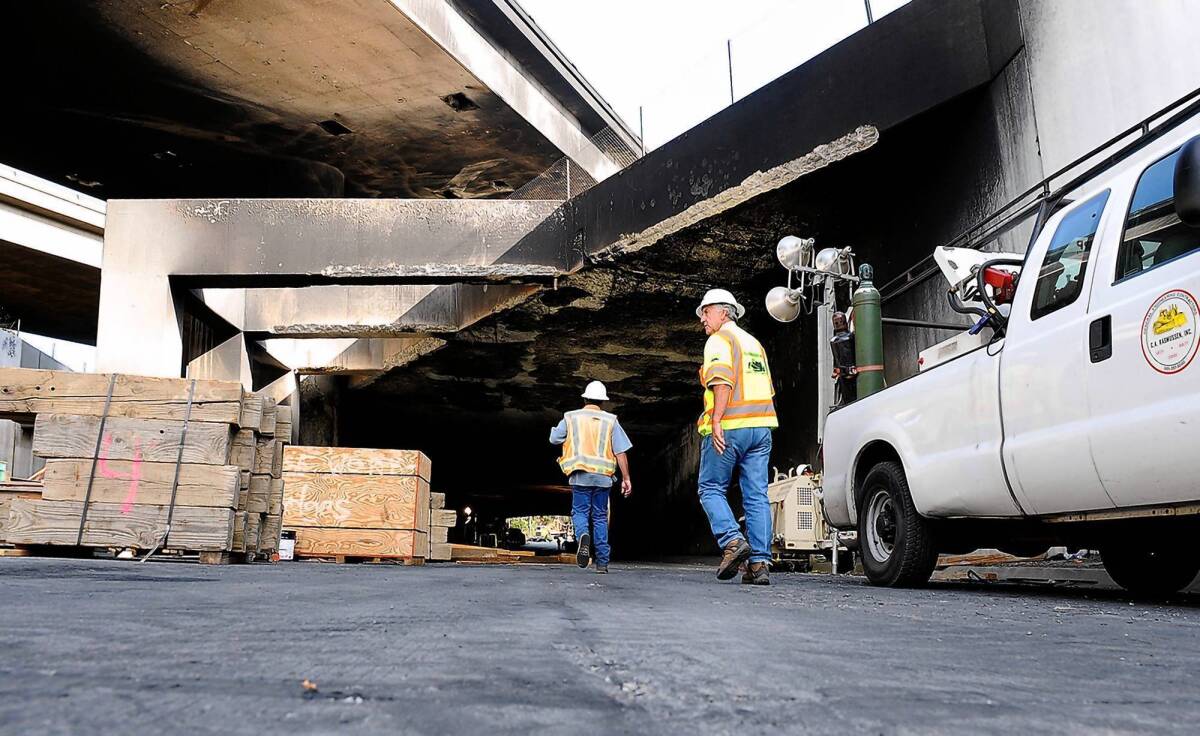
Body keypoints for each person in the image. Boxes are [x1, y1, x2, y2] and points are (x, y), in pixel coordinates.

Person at [695, 288, 778, 585]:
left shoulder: (719, 340)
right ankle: (759, 564)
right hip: (761, 429)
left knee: (710, 488)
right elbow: (766, 389)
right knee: (756, 496)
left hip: (731, 427)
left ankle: (732, 541)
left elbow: (722, 378)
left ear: (723, 311)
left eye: (706, 312)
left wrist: (716, 418)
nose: (702, 319)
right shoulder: (754, 343)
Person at [549, 381, 632, 574]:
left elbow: (554, 439)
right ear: (603, 402)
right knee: (601, 517)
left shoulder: (571, 417)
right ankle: (602, 563)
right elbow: (621, 452)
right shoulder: (611, 420)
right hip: (603, 478)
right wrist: (626, 478)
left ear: (584, 398)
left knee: (580, 513)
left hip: (580, 475)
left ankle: (583, 536)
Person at [829, 311, 857, 406]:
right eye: (836, 322)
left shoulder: (834, 340)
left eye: (839, 321)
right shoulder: (850, 337)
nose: (838, 323)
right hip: (849, 374)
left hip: (847, 374)